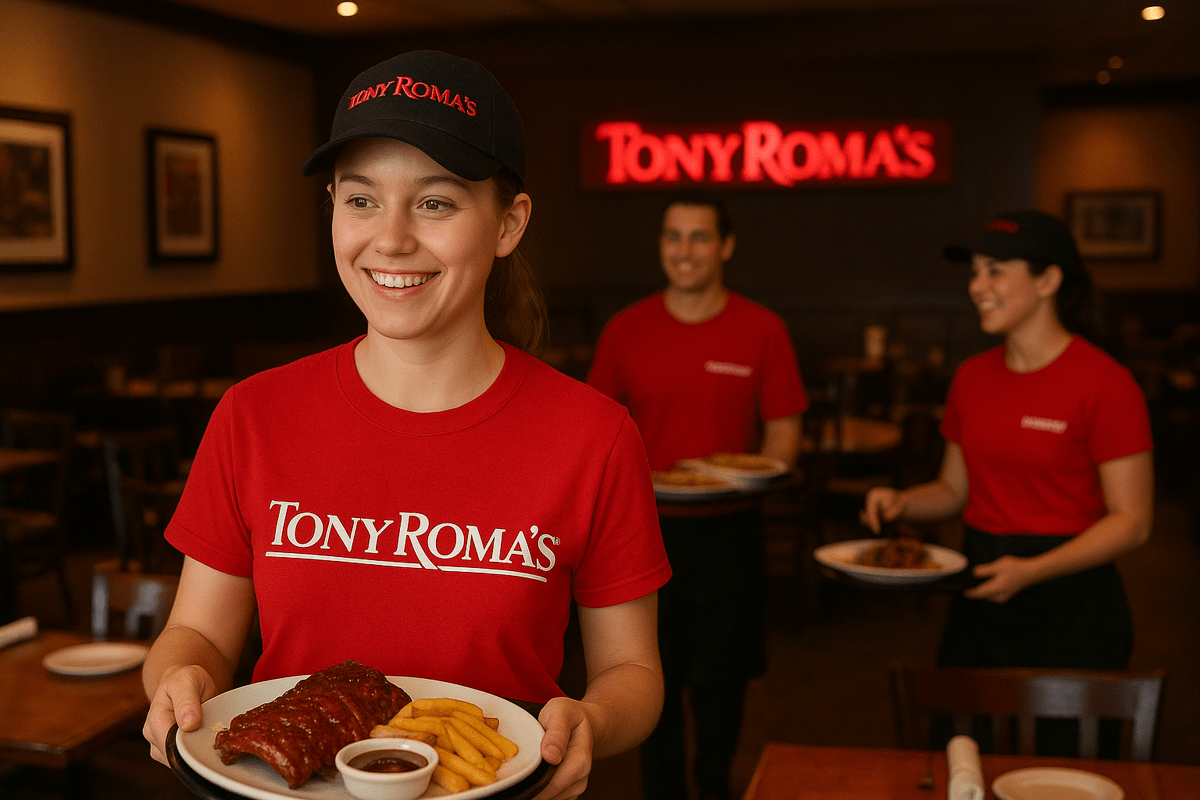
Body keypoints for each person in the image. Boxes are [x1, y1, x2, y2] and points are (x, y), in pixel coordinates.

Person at [141, 50, 671, 800]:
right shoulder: (252, 415)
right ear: (332, 206)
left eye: (435, 203)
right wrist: (179, 676)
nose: (389, 239)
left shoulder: (596, 436)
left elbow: (632, 672)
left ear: (509, 223)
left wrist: (593, 720)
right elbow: (195, 636)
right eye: (361, 199)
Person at [861, 209, 1154, 755]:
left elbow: (1133, 522)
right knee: (964, 758)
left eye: (996, 270)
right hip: (981, 592)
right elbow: (954, 491)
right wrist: (902, 501)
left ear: (1049, 280)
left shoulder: (1107, 384)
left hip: (1071, 601)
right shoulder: (971, 377)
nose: (978, 287)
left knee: (1061, 769)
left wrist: (1032, 571)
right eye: (974, 272)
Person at [587, 191, 807, 800]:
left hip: (731, 534)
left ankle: (715, 785)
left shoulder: (762, 329)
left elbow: (784, 432)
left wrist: (758, 470)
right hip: (643, 535)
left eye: (700, 237)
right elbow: (596, 432)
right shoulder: (626, 329)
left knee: (722, 684)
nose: (684, 250)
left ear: (726, 246)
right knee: (646, 679)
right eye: (673, 236)